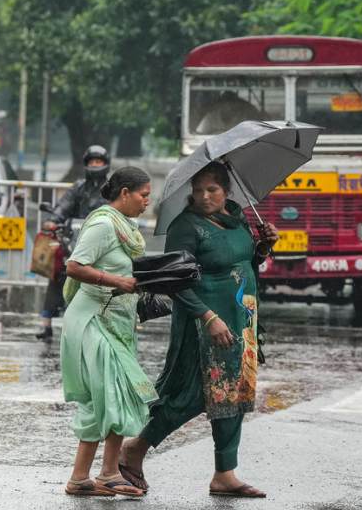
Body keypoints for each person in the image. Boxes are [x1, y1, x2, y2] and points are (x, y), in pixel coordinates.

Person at [119, 161, 278, 498]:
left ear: (227, 192)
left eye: (213, 190)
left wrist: (263, 246)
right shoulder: (185, 227)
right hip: (202, 323)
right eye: (199, 190)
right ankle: (136, 447)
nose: (205, 197)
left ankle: (225, 473)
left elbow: (243, 262)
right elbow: (175, 281)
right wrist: (208, 317)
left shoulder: (238, 219)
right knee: (191, 396)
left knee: (233, 394)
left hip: (240, 320)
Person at [60, 167, 157, 497]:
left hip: (117, 322)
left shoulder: (127, 227)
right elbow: (74, 266)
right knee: (106, 396)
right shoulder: (103, 224)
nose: (147, 201)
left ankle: (102, 473)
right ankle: (87, 476)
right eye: (143, 195)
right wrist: (116, 281)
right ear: (125, 193)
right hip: (92, 320)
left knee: (122, 393)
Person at [37, 145, 111, 340]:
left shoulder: (112, 188)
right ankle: (46, 323)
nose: (95, 165)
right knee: (58, 272)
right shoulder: (79, 187)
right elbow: (64, 206)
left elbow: (118, 209)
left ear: (106, 164)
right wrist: (54, 220)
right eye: (92, 162)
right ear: (86, 164)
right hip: (74, 238)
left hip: (101, 239)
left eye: (99, 162)